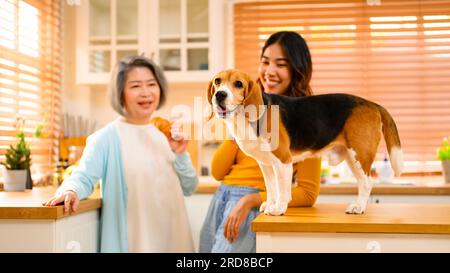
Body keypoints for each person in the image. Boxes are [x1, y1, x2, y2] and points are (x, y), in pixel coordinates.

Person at [43, 56, 198, 253]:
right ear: (120, 93)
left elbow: (190, 187)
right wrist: (70, 191)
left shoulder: (166, 135)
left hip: (176, 240)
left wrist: (181, 154)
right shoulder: (106, 138)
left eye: (151, 84)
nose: (146, 92)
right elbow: (83, 177)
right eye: (135, 86)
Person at [199, 31, 322, 253]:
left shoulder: (306, 117)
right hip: (221, 200)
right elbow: (218, 172)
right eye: (265, 62)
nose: (270, 71)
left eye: (281, 64)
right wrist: (238, 120)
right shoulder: (239, 107)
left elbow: (307, 194)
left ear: (297, 70)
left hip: (254, 207)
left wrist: (250, 200)